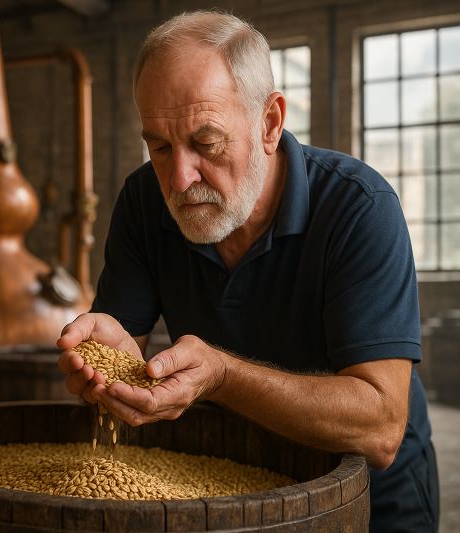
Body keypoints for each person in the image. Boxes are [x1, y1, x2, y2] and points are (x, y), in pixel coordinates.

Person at [56, 10, 439, 533]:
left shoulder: (359, 207)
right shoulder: (145, 200)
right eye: (160, 147)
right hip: (234, 482)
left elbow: (381, 424)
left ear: (269, 123)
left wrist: (221, 375)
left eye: (206, 143)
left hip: (369, 499)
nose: (180, 178)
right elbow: (122, 342)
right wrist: (110, 363)